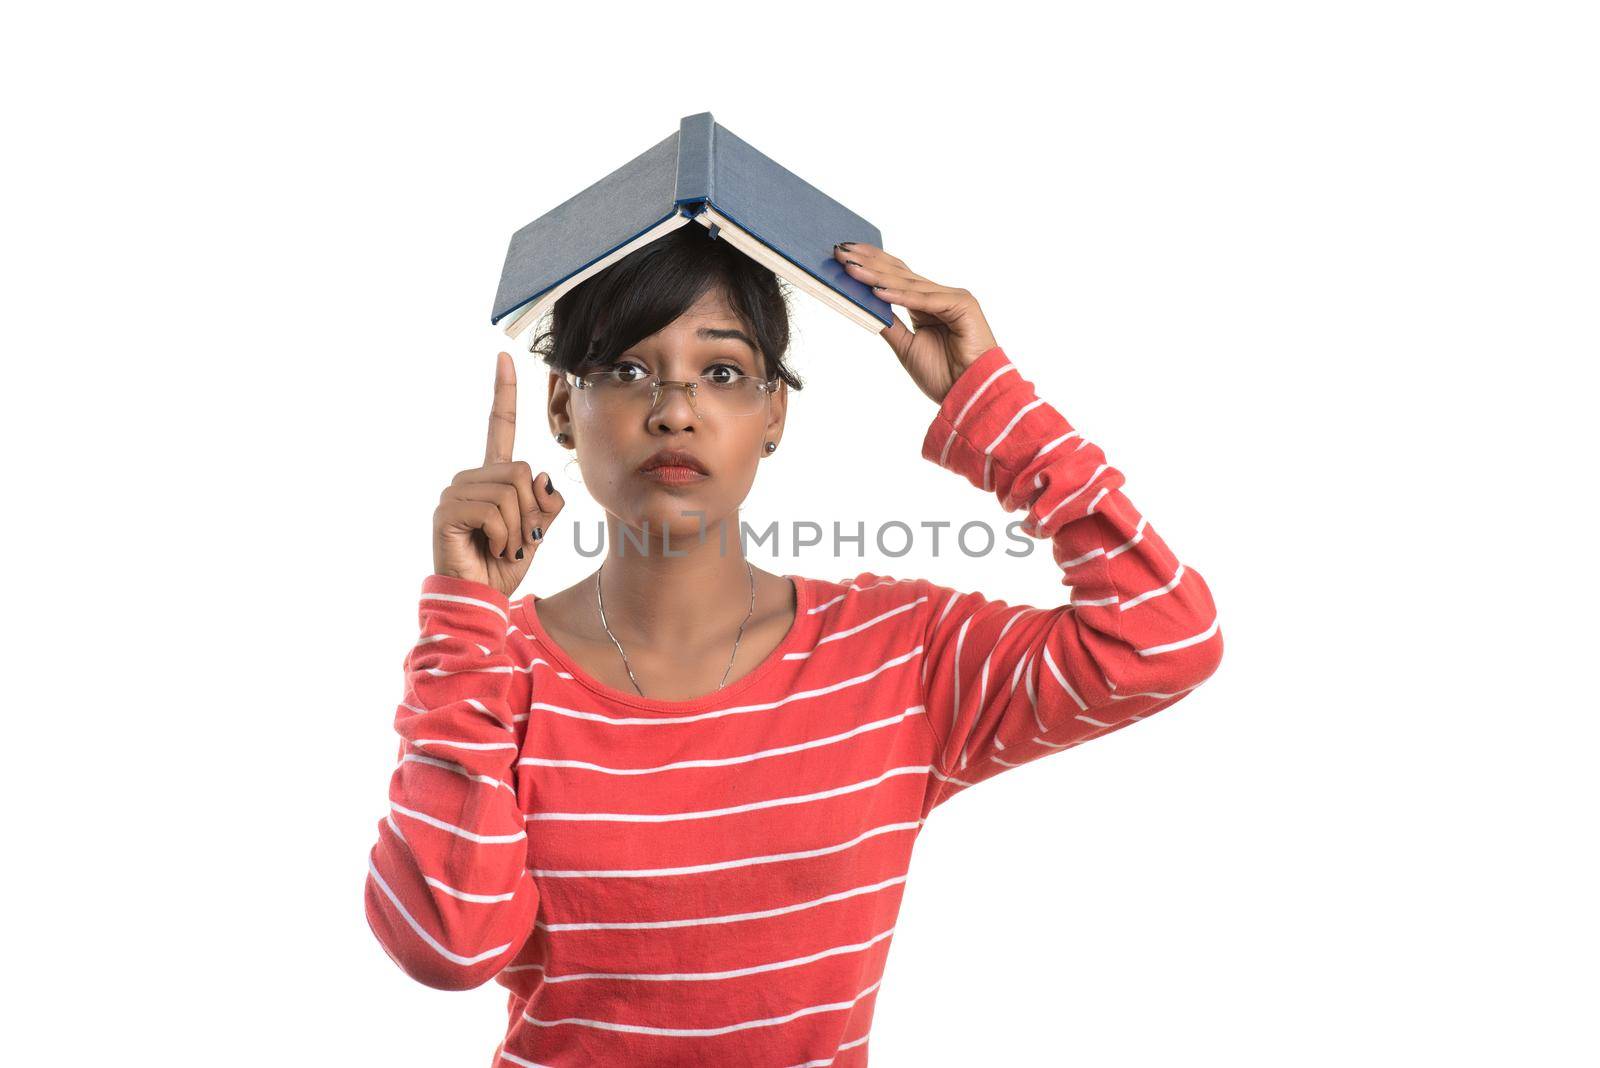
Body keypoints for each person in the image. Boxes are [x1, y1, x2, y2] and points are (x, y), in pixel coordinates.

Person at [363, 224, 1224, 1066]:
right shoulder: (487, 665)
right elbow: (446, 947)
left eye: (723, 371)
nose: (674, 411)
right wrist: (463, 615)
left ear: (774, 411)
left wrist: (991, 403)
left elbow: (1165, 636)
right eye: (628, 369)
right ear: (562, 403)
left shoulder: (897, 657)